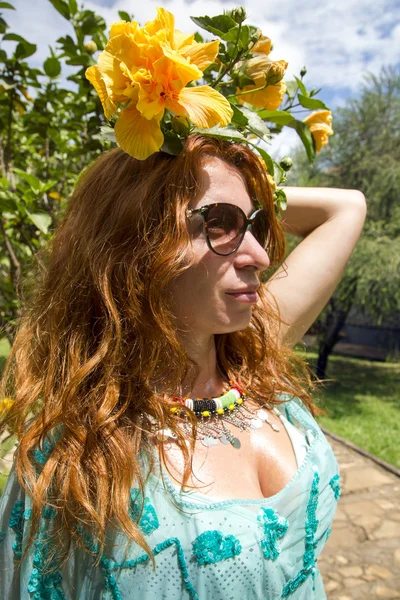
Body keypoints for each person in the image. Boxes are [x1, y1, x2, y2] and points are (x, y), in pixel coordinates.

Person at [0, 8, 367, 599]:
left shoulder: (253, 358)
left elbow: (346, 206)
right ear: (133, 246)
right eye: (219, 224)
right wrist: (152, 172)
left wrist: (225, 157)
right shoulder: (78, 456)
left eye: (256, 224)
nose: (258, 255)